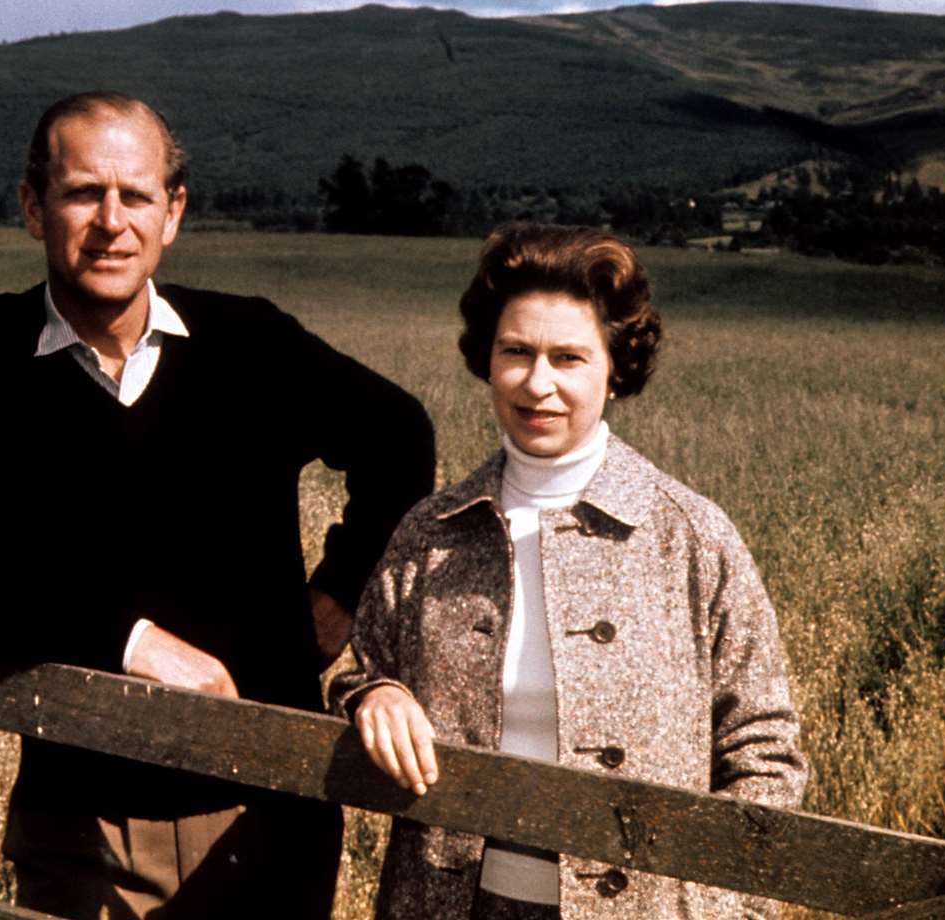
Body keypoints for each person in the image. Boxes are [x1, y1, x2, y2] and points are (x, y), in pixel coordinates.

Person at [0, 91, 436, 918]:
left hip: (272, 799)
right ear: (31, 205)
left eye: (137, 195)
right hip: (88, 813)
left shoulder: (250, 344)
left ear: (174, 212)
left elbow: (401, 436)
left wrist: (340, 592)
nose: (110, 221)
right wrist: (133, 642)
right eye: (83, 192)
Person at [330, 224, 807, 920]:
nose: (538, 383)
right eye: (516, 352)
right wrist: (376, 694)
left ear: (615, 370)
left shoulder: (691, 536)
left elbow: (764, 753)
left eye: (569, 358)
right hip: (452, 903)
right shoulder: (429, 534)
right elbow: (359, 673)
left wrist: (722, 906)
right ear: (486, 360)